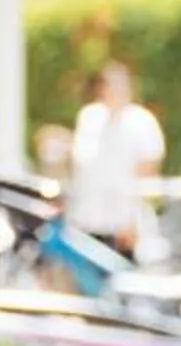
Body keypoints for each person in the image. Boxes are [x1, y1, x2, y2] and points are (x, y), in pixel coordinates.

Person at [66, 62, 165, 256]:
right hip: (87, 221)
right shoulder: (89, 116)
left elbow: (147, 176)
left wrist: (133, 221)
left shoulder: (142, 122)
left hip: (123, 225)